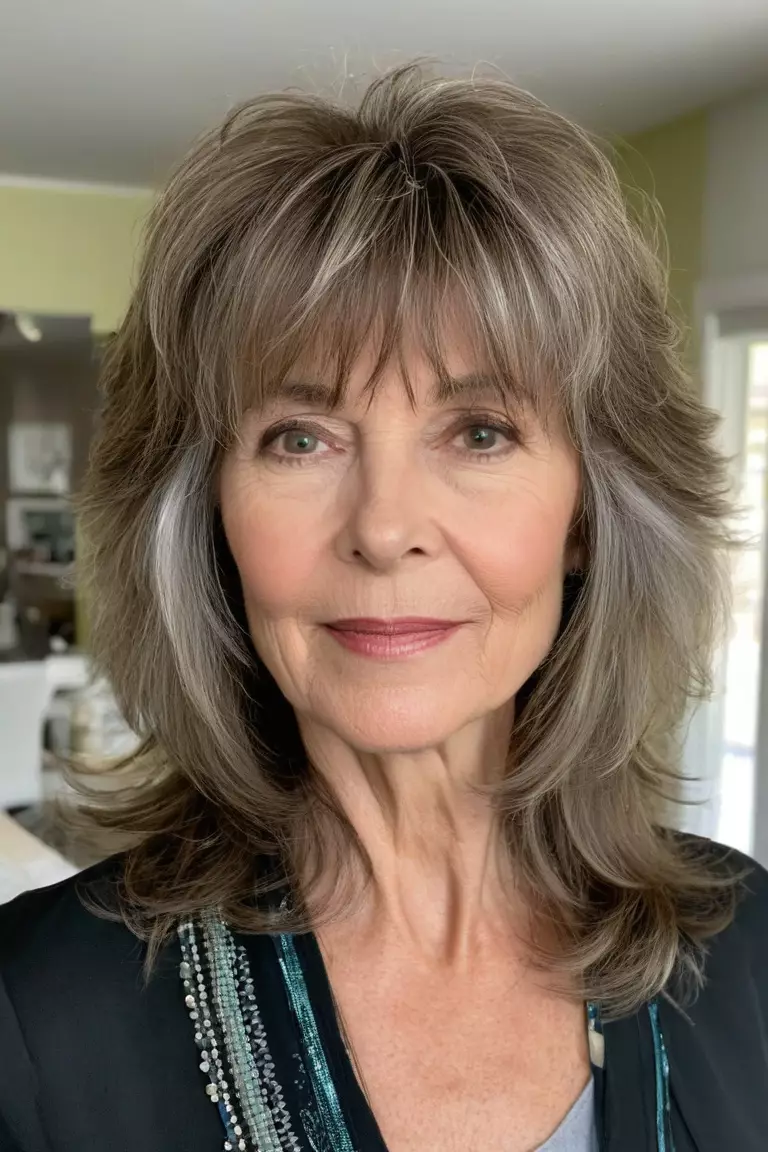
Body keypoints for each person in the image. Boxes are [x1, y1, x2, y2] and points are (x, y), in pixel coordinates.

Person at [0, 63, 766, 1152]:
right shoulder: (33, 1019)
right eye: (300, 438)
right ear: (206, 517)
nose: (384, 525)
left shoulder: (747, 948)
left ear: (589, 512)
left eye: (480, 431)